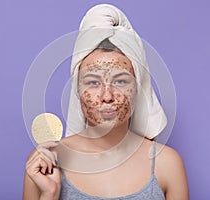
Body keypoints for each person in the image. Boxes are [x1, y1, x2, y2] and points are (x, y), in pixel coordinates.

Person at [23, 4, 189, 200]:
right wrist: (49, 194)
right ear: (77, 90)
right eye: (93, 82)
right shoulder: (44, 164)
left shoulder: (167, 163)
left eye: (120, 81)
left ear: (137, 89)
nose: (107, 95)